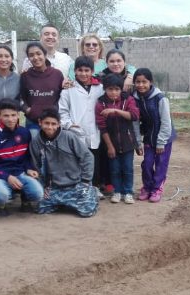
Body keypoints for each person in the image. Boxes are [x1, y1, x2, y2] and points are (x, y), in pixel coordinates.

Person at [29, 108, 98, 217]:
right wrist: (43, 185)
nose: (50, 127)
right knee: (41, 208)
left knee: (87, 211)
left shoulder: (69, 137)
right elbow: (36, 166)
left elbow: (87, 157)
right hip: (54, 186)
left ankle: (91, 191)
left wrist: (85, 181)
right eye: (46, 123)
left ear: (59, 124)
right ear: (40, 122)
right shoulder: (36, 142)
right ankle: (62, 201)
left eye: (53, 124)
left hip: (76, 183)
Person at [0, 98, 44, 217]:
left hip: (20, 173)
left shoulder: (24, 132)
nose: (10, 119)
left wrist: (29, 168)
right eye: (6, 115)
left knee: (38, 194)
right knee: (1, 195)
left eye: (13, 115)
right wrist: (7, 177)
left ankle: (25, 200)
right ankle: (1, 205)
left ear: (18, 114)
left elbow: (27, 156)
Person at [58, 56, 104, 195]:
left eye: (87, 70)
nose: (83, 73)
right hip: (76, 132)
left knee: (94, 159)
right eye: (80, 70)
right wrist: (70, 125)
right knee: (77, 161)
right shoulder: (68, 89)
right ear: (75, 71)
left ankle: (94, 187)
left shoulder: (100, 87)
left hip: (95, 131)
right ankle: (80, 187)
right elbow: (62, 111)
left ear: (92, 71)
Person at [132, 68, 177, 203]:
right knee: (147, 163)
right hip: (148, 137)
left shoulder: (160, 98)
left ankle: (157, 188)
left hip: (164, 137)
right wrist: (137, 142)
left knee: (161, 163)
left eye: (144, 82)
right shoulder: (135, 98)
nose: (141, 85)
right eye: (138, 82)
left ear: (150, 82)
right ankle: (147, 186)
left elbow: (166, 121)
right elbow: (135, 121)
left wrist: (161, 142)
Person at [95, 74, 141, 204]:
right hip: (111, 143)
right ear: (105, 89)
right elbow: (102, 127)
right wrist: (109, 146)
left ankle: (128, 192)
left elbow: (134, 115)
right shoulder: (100, 103)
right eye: (110, 89)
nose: (114, 92)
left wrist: (115, 111)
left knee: (128, 168)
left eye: (117, 89)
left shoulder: (128, 100)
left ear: (121, 89)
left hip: (128, 143)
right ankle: (117, 191)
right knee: (114, 169)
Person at [20, 41, 63, 138]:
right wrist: (27, 109)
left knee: (54, 150)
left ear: (45, 54)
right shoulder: (25, 76)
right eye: (31, 55)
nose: (35, 58)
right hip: (33, 122)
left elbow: (62, 96)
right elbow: (20, 97)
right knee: (35, 150)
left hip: (52, 122)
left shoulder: (57, 74)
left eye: (38, 53)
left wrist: (55, 109)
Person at [67, 34, 136, 81]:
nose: (91, 47)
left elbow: (131, 68)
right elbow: (72, 82)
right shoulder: (74, 66)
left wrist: (130, 77)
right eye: (88, 45)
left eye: (95, 45)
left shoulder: (107, 63)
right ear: (82, 48)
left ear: (100, 48)